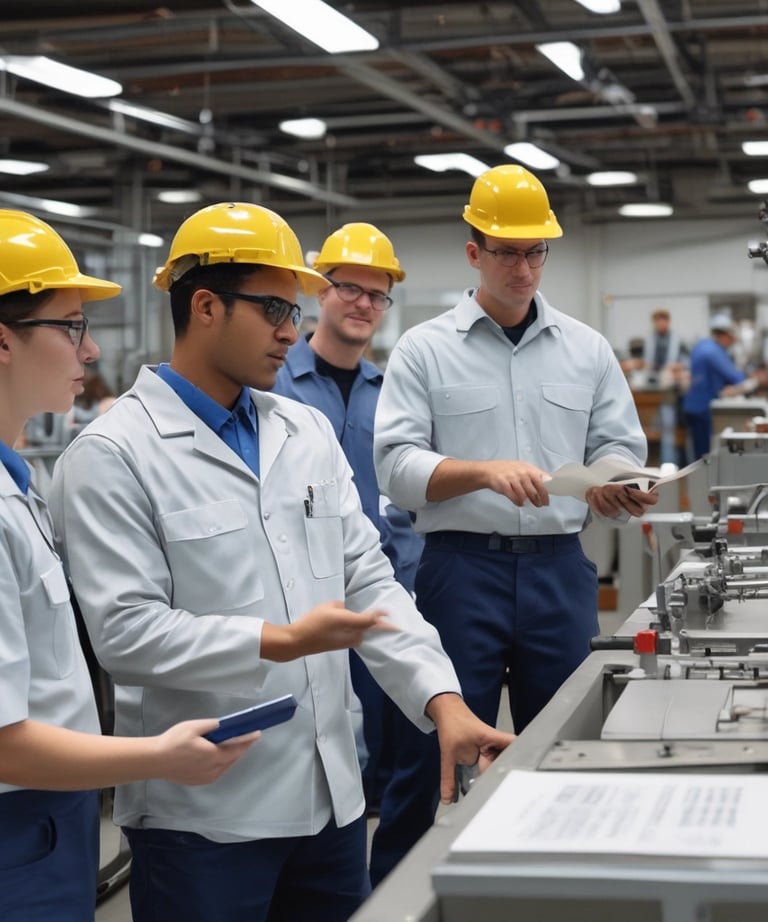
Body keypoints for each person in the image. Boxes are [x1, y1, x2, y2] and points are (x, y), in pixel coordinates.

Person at [48, 201, 514, 922]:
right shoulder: (113, 455)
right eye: (272, 309)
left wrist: (441, 701)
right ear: (205, 306)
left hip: (330, 803)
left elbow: (369, 579)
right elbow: (126, 634)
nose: (292, 331)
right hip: (205, 817)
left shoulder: (304, 429)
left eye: (292, 310)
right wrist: (280, 641)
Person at [370, 164, 658, 885]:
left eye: (536, 252)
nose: (524, 268)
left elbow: (622, 445)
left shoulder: (586, 349)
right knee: (424, 753)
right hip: (459, 572)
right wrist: (480, 469)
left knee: (564, 744)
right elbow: (395, 466)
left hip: (560, 568)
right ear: (473, 253)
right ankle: (389, 900)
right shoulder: (425, 349)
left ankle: (556, 891)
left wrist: (611, 484)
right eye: (506, 252)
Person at [0, 210, 258, 922]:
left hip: (54, 821)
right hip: (19, 827)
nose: (88, 354)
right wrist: (157, 757)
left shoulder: (20, 487)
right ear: (2, 342)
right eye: (72, 326)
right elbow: (2, 743)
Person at [272, 223, 424, 811]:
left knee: (392, 750)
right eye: (350, 288)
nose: (364, 303)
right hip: (303, 599)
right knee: (322, 754)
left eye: (377, 294)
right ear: (321, 292)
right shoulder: (275, 384)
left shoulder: (390, 393)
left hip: (383, 589)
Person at [682, 312, 767, 459]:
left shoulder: (702, 345)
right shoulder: (713, 351)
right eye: (732, 339)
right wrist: (755, 379)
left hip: (691, 404)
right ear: (726, 335)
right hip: (703, 407)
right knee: (704, 455)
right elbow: (734, 377)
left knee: (697, 448)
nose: (732, 343)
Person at [622, 308, 689, 466]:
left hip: (668, 393)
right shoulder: (648, 342)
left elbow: (686, 364)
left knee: (667, 431)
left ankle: (668, 465)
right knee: (646, 431)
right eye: (657, 320)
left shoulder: (678, 342)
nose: (660, 323)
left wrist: (677, 367)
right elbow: (644, 363)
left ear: (668, 321)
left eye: (663, 319)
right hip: (649, 393)